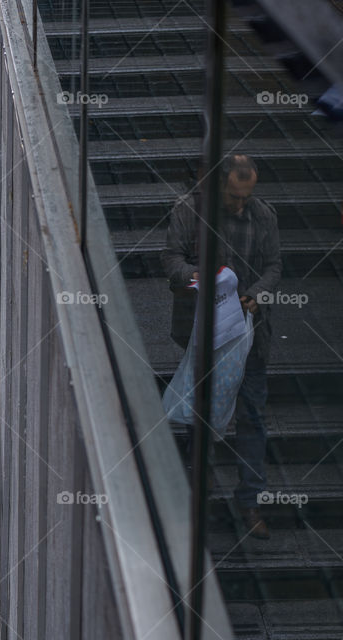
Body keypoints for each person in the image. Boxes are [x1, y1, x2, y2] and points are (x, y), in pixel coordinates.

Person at [161, 154, 281, 539]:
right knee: (201, 418)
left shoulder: (263, 214)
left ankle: (250, 504)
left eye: (246, 196)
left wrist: (256, 294)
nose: (240, 203)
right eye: (233, 196)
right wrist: (201, 278)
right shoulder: (189, 210)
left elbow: (274, 266)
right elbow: (171, 260)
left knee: (252, 418)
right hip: (203, 335)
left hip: (250, 335)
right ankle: (198, 504)